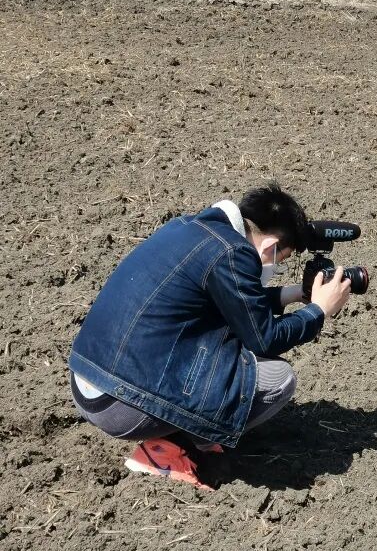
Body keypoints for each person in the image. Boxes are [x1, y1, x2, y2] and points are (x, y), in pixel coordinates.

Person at [68, 184, 352, 489]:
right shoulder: (233, 253)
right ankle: (170, 449)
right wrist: (319, 310)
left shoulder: (190, 229)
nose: (275, 267)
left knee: (227, 346)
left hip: (90, 383)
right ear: (270, 246)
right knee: (278, 379)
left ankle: (183, 434)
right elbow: (266, 338)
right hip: (121, 406)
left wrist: (295, 294)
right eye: (280, 260)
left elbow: (235, 303)